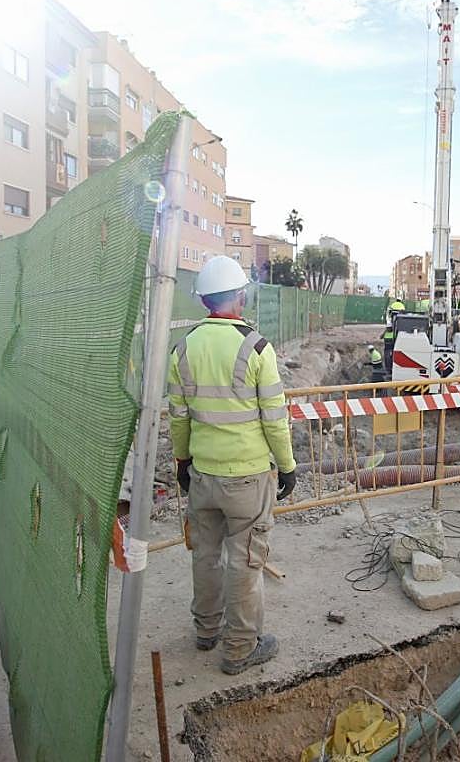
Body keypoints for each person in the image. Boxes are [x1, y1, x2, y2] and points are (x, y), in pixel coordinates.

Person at [168, 255, 296, 675]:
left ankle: (207, 631)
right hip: (247, 478)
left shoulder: (183, 348)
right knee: (245, 562)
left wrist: (183, 462)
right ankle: (240, 648)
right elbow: (274, 419)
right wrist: (287, 465)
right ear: (241, 297)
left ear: (203, 299)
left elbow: (178, 417)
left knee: (205, 555)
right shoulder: (256, 347)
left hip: (203, 475)